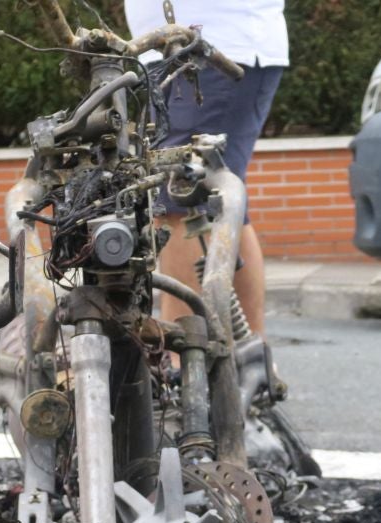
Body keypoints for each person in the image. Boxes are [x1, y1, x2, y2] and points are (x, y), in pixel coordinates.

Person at [125, 0, 289, 334]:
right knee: (220, 203)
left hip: (218, 46)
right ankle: (250, 359)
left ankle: (182, 355)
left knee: (182, 191)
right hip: (172, 50)